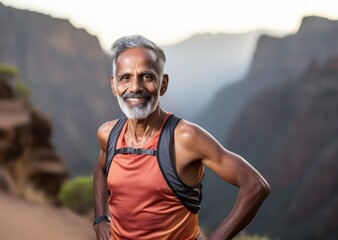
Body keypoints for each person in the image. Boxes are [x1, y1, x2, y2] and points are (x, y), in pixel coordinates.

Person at [93, 34, 270, 240]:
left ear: (163, 84)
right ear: (114, 85)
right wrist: (100, 219)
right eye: (126, 77)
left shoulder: (185, 138)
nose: (135, 87)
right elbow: (101, 169)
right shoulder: (108, 134)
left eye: (147, 76)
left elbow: (255, 185)